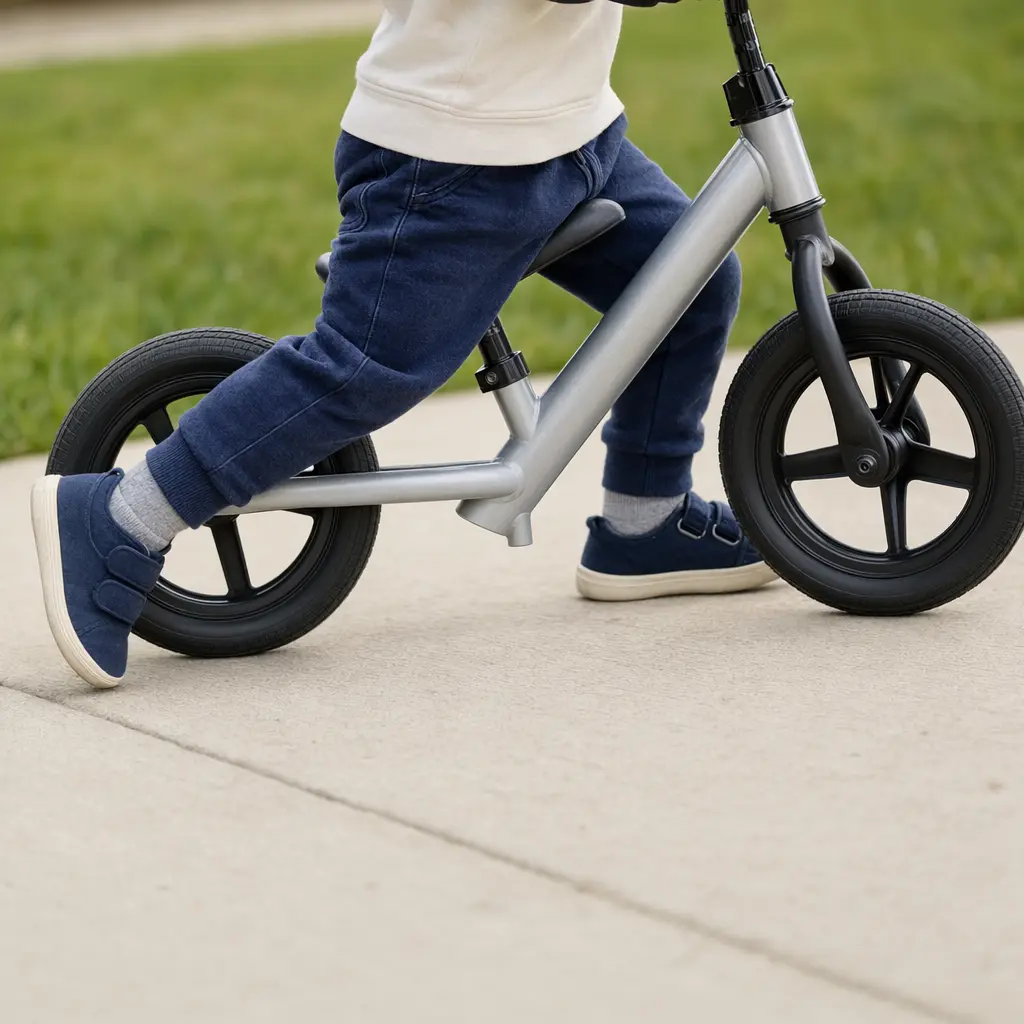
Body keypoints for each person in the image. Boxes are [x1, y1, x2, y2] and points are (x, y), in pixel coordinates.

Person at [31, 0, 774, 689]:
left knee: (690, 279)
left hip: (571, 133)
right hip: (449, 157)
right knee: (362, 366)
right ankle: (125, 517)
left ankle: (644, 521)